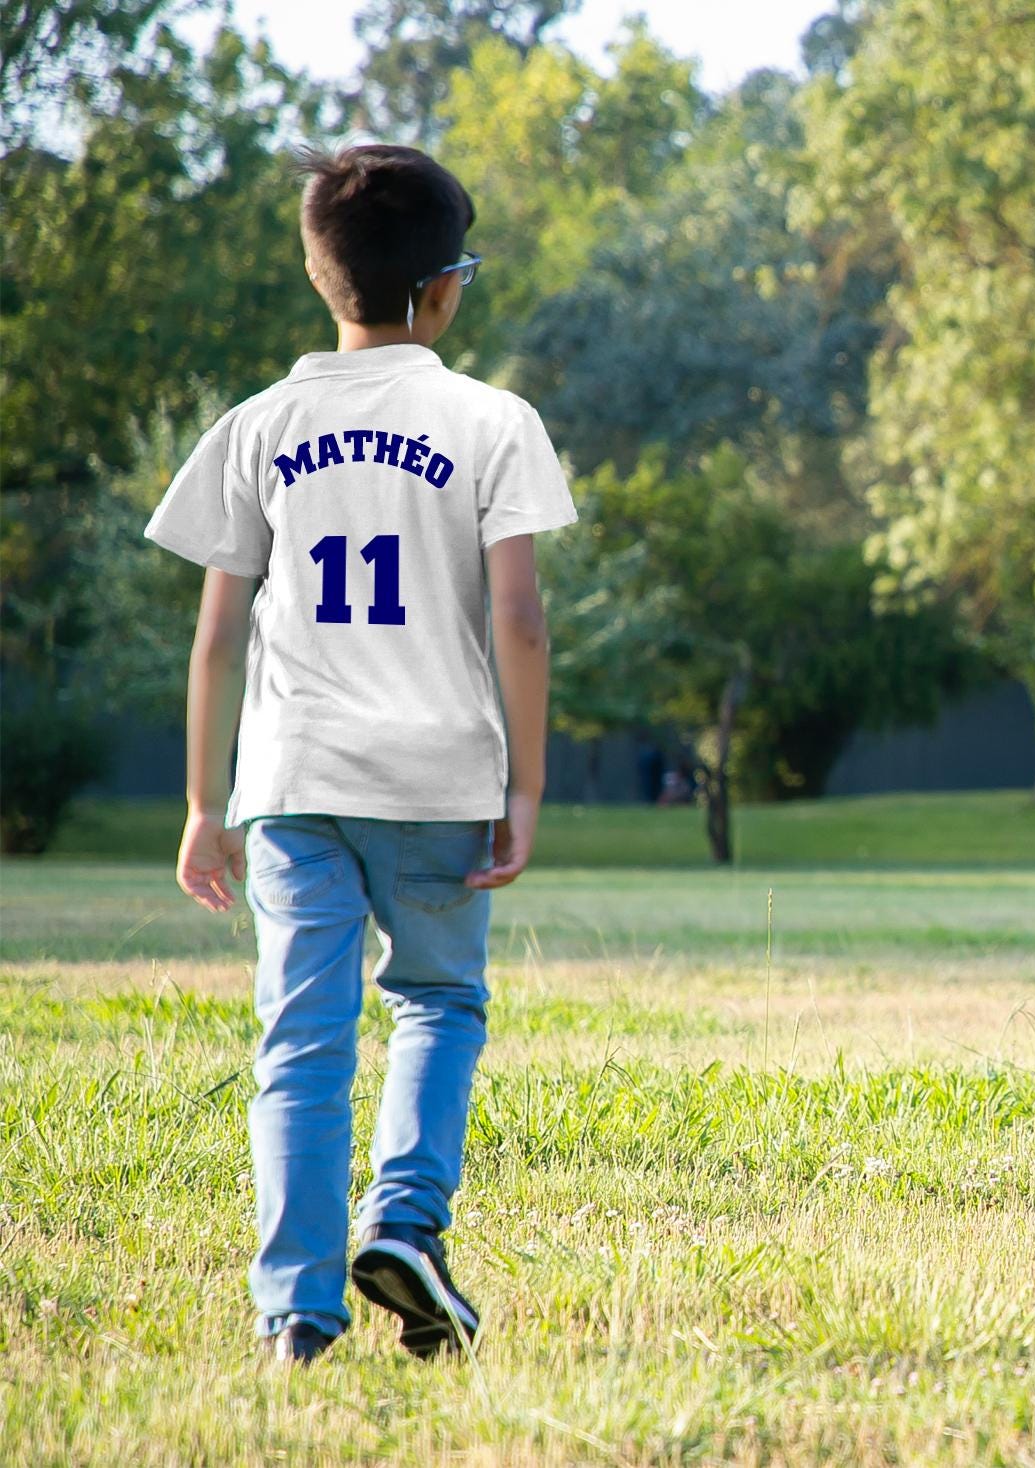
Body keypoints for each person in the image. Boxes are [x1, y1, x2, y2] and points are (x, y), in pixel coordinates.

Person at [143, 144, 577, 1364]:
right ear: (442, 289)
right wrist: (527, 784)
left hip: (293, 782)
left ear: (316, 272)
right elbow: (519, 620)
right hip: (440, 776)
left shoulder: (257, 426)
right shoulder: (491, 421)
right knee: (436, 1000)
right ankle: (404, 1223)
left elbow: (218, 635)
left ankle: (296, 1308)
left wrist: (202, 801)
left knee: (301, 1041)